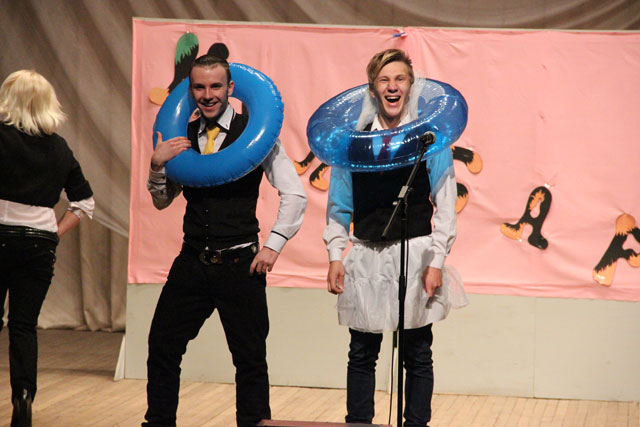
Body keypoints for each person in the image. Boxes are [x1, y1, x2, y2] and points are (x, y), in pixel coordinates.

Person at [144, 54, 307, 427]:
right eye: (199, 87)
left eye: (216, 86)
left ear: (230, 88)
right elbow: (162, 201)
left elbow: (295, 194)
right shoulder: (181, 138)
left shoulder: (257, 134)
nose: (208, 95)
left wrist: (274, 245)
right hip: (192, 261)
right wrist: (157, 165)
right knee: (162, 347)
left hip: (239, 265)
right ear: (191, 91)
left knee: (250, 359)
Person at [324, 49, 462, 426]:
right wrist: (336, 255)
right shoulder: (353, 142)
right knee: (361, 351)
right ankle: (359, 423)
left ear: (410, 86)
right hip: (367, 254)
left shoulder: (428, 139)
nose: (392, 86)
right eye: (384, 80)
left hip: (414, 253)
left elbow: (445, 203)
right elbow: (339, 204)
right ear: (372, 89)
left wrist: (437, 261)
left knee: (416, 352)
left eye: (400, 79)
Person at [0, 70, 95, 427]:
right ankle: (23, 397)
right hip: (39, 243)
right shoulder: (59, 147)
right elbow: (84, 203)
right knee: (23, 325)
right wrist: (52, 234)